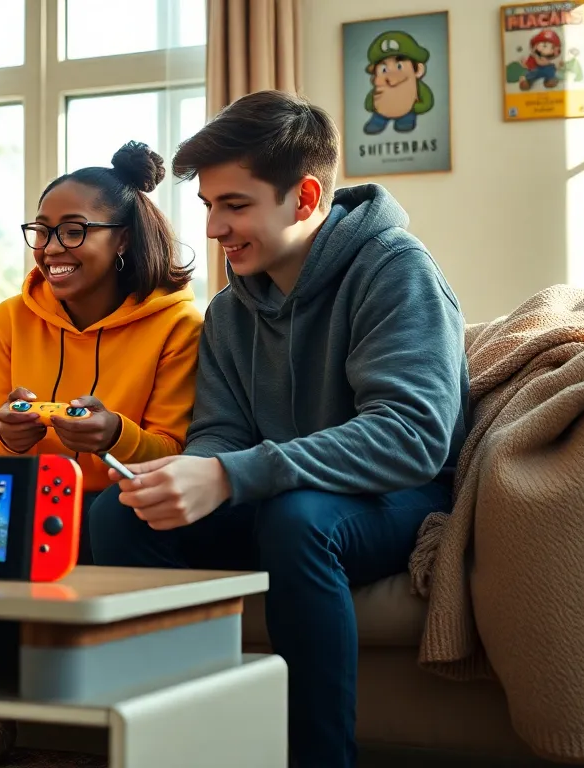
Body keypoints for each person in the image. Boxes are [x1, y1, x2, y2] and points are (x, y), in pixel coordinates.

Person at [89, 90, 470, 768]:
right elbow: (221, 431)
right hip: (281, 495)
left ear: (304, 196)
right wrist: (189, 473)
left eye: (235, 205)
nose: (213, 228)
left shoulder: (395, 270)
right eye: (208, 206)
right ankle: (184, 747)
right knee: (120, 516)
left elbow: (411, 435)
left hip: (397, 496)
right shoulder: (232, 312)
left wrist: (232, 475)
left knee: (300, 520)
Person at [0, 141, 203, 768]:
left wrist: (114, 434)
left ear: (121, 239)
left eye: (73, 231)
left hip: (116, 502)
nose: (50, 248)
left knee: (99, 516)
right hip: (35, 492)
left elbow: (171, 450)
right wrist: (11, 436)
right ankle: (1, 709)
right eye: (41, 231)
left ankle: (137, 717)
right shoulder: (11, 319)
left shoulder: (178, 324)